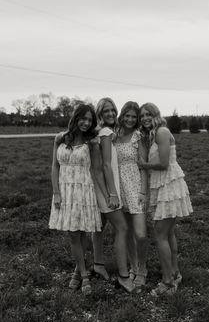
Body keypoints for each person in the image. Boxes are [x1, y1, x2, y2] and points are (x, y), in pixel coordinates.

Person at [49, 102, 103, 295]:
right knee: (73, 234)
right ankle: (83, 273)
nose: (87, 123)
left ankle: (78, 270)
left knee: (81, 233)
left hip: (84, 190)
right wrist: (56, 192)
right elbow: (55, 166)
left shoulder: (92, 142)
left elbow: (97, 170)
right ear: (76, 118)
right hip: (65, 190)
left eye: (90, 120)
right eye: (84, 118)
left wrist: (105, 194)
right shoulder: (60, 138)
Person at [139, 103, 193, 296]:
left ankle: (167, 282)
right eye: (142, 115)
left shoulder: (161, 131)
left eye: (148, 114)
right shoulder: (155, 133)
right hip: (163, 185)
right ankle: (175, 273)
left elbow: (162, 163)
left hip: (168, 185)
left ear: (155, 114)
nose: (144, 118)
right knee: (168, 233)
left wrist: (142, 165)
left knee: (160, 234)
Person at [92, 97, 135, 293]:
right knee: (122, 228)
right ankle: (124, 276)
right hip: (109, 191)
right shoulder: (106, 133)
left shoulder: (100, 132)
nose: (110, 114)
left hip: (100, 188)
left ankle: (97, 264)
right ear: (99, 113)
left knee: (99, 227)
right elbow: (106, 165)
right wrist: (113, 193)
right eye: (106, 111)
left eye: (112, 110)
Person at [115, 101, 148, 288]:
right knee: (126, 232)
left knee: (141, 234)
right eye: (127, 115)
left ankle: (142, 267)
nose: (130, 119)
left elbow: (143, 167)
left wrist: (143, 191)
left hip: (135, 187)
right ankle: (134, 267)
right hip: (120, 189)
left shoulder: (138, 136)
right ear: (122, 115)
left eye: (133, 117)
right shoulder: (115, 135)